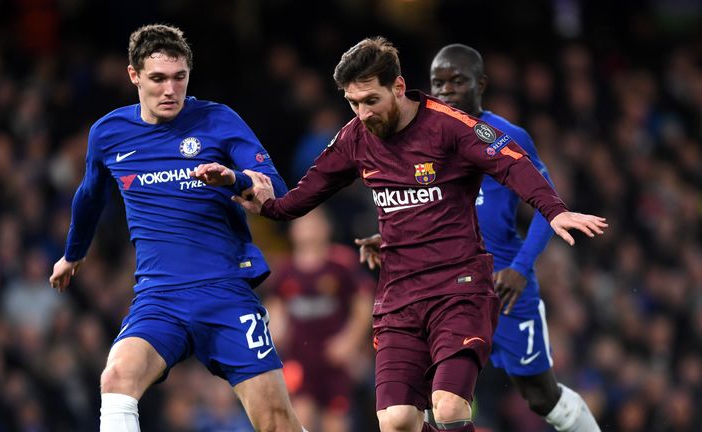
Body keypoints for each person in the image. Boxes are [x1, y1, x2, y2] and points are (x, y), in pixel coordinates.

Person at [195, 36, 607, 432]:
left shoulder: (449, 126)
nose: (363, 113)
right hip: (400, 297)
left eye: (371, 100)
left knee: (454, 405)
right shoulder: (355, 137)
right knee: (396, 421)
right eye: (353, 103)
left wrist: (554, 211)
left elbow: (513, 163)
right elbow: (300, 198)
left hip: (458, 287)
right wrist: (253, 196)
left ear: (398, 86)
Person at [48, 24, 305, 432]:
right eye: (157, 78)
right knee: (116, 378)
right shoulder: (109, 134)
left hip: (225, 293)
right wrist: (73, 254)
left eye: (179, 77)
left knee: (275, 421)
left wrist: (234, 180)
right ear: (133, 75)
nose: (170, 89)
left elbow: (275, 189)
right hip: (159, 298)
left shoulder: (218, 120)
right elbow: (89, 197)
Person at [355, 44, 602, 432]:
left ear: (481, 84)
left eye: (458, 81)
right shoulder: (421, 135)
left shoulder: (505, 135)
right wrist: (385, 236)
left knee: (540, 396)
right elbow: (421, 206)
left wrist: (520, 269)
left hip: (507, 289)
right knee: (430, 403)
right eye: (439, 82)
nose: (448, 90)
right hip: (446, 291)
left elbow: (545, 204)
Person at [264, 206, 374, 432]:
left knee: (337, 419)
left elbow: (363, 304)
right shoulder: (285, 270)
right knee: (301, 413)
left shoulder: (342, 263)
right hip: (299, 356)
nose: (308, 229)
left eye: (314, 222)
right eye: (303, 223)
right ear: (293, 230)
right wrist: (274, 341)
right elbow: (275, 310)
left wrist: (350, 341)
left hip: (334, 356)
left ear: (326, 228)